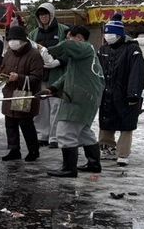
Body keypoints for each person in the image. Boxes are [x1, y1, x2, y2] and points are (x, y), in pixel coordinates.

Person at [40, 26, 105, 177]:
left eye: (69, 37)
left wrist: (47, 50)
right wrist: (52, 89)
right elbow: (68, 75)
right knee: (83, 132)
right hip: (85, 97)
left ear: (79, 38)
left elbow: (67, 46)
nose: (67, 41)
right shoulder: (82, 57)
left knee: (65, 130)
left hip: (79, 98)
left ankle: (69, 168)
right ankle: (94, 163)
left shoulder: (86, 48)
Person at [97, 14, 144, 167]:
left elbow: (137, 73)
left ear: (120, 35)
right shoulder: (103, 49)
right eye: (106, 33)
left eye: (110, 33)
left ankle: (123, 153)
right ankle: (107, 148)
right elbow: (97, 71)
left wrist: (133, 94)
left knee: (126, 124)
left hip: (126, 94)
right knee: (106, 122)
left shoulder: (132, 49)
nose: (107, 36)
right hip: (107, 92)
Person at [0, 25, 44, 162]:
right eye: (10, 39)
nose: (12, 42)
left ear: (23, 40)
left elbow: (37, 77)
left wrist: (19, 77)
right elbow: (3, 69)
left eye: (15, 39)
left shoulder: (34, 54)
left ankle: (33, 150)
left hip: (24, 93)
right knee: (10, 122)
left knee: (25, 123)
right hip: (10, 92)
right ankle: (14, 149)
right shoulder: (8, 53)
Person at [29, 3, 69, 149]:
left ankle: (55, 136)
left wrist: (59, 61)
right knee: (41, 107)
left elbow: (70, 49)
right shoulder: (33, 34)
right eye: (40, 15)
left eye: (46, 14)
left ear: (52, 15)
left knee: (56, 106)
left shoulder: (63, 30)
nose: (43, 17)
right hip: (40, 76)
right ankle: (42, 135)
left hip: (57, 75)